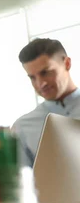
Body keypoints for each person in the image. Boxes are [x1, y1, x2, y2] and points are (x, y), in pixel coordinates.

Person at [13, 38, 79, 167]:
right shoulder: (22, 128)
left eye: (46, 72)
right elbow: (23, 183)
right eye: (32, 77)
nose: (40, 84)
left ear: (67, 63)